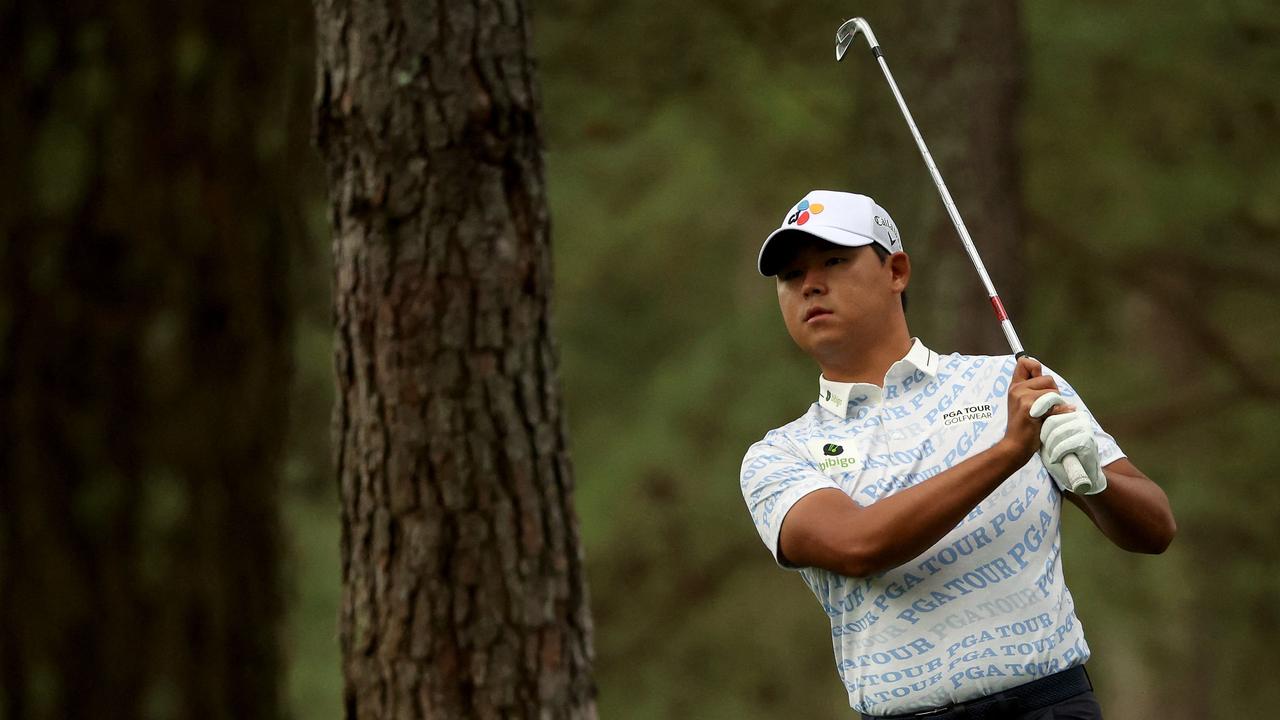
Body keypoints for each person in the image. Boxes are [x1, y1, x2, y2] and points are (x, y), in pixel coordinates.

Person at [739, 190, 1176, 719]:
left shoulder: (1010, 385)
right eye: (790, 275)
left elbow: (1156, 529)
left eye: (834, 261)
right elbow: (857, 546)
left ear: (896, 270)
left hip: (1048, 707)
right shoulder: (779, 454)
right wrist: (1009, 452)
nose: (810, 284)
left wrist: (1097, 485)